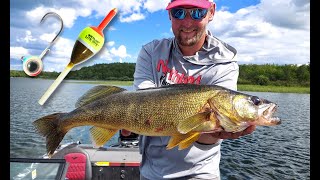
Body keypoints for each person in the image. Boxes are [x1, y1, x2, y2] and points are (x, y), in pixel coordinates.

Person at [122, 0, 256, 179]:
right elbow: (145, 104)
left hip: (199, 173)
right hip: (151, 172)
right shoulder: (151, 52)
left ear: (211, 12)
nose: (187, 22)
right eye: (178, 12)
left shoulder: (224, 62)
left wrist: (215, 131)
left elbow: (208, 138)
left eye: (197, 13)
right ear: (169, 15)